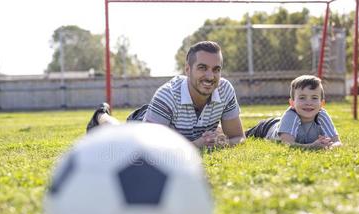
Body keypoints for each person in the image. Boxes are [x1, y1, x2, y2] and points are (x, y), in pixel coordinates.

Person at [86, 41, 245, 149]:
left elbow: (239, 137)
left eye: (216, 69)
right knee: (119, 136)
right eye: (202, 68)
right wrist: (199, 144)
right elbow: (152, 150)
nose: (210, 76)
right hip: (147, 123)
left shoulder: (225, 90)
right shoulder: (167, 95)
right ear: (187, 69)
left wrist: (222, 142)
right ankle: (100, 116)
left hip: (178, 132)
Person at [245, 75, 342, 149]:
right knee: (242, 136)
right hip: (267, 127)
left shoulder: (322, 115)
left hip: (281, 122)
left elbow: (337, 142)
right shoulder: (291, 115)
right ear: (292, 103)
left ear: (322, 103)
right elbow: (287, 144)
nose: (308, 103)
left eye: (314, 98)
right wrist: (312, 146)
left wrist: (330, 146)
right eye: (302, 98)